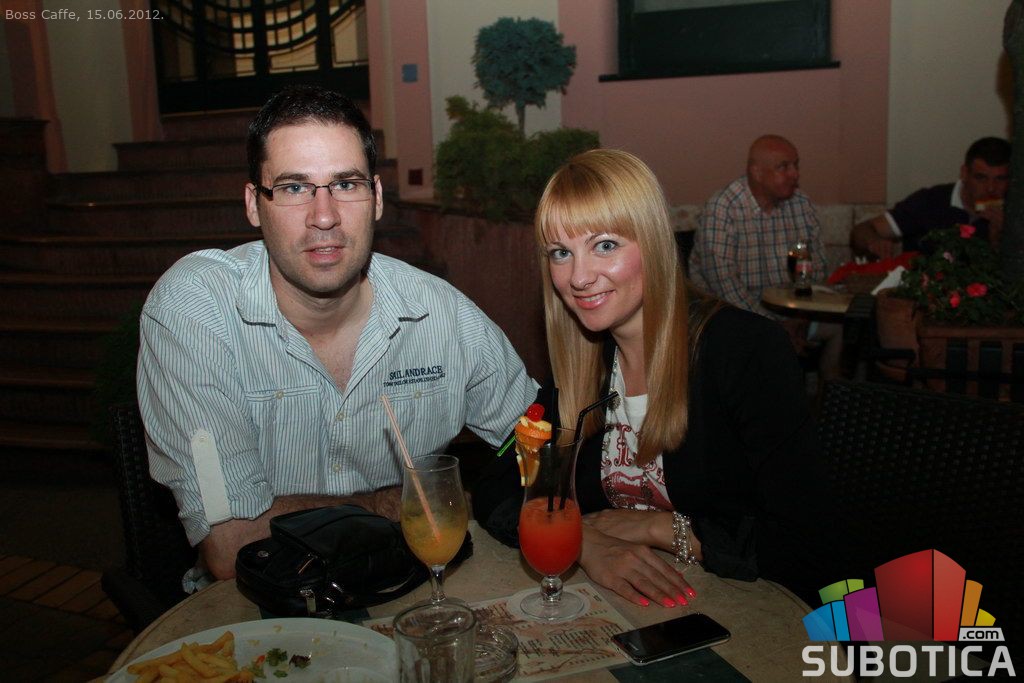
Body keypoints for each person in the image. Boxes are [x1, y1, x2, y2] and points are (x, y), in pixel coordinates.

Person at [137, 85, 536, 581]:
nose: (323, 217)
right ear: (254, 204)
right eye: (294, 188)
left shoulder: (442, 315)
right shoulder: (197, 311)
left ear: (377, 198)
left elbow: (540, 444)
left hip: (417, 585)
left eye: (346, 184)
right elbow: (230, 546)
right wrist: (392, 503)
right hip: (265, 602)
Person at [473, 149, 837, 608]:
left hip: (758, 609)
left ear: (654, 243)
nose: (579, 277)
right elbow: (496, 485)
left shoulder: (744, 351)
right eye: (561, 253)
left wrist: (660, 527)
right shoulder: (584, 362)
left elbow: (806, 538)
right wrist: (583, 541)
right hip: (637, 611)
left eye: (605, 245)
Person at [688, 134, 841, 379]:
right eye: (784, 167)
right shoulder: (723, 208)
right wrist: (775, 327)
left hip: (793, 314)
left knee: (839, 328)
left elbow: (818, 268)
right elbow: (725, 288)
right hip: (730, 317)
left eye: (796, 165)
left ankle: (829, 399)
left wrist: (801, 317)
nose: (794, 174)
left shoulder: (800, 203)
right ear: (757, 173)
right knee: (760, 344)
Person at [851, 137, 1011, 259]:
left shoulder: (1014, 212)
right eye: (981, 178)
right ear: (964, 173)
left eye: (1000, 179)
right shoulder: (930, 201)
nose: (991, 188)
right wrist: (873, 242)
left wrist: (1000, 237)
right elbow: (862, 231)